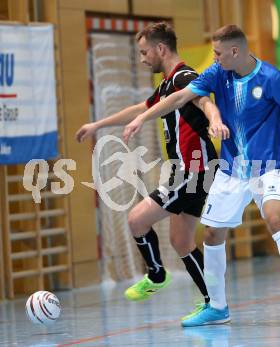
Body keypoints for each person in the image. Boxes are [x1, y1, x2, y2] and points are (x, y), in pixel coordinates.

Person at [123, 24, 280, 327]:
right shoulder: (218, 74)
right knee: (212, 234)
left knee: (275, 217)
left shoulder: (272, 79)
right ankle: (217, 306)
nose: (214, 58)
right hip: (230, 171)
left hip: (265, 167)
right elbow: (178, 98)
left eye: (217, 53)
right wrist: (141, 119)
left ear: (235, 51)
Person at [76, 22, 229, 319]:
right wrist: (98, 125)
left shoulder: (185, 77)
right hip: (194, 171)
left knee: (136, 219)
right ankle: (215, 303)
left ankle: (157, 275)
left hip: (191, 170)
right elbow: (139, 109)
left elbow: (204, 102)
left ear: (161, 49)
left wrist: (214, 119)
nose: (143, 58)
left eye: (145, 52)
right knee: (181, 242)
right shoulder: (166, 85)